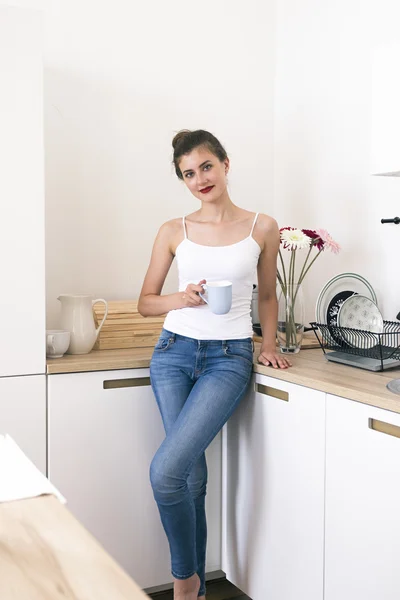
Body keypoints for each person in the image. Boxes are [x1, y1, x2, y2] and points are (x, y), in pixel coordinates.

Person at [138, 129, 291, 600]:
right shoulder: (173, 230)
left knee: (166, 473)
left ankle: (183, 581)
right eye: (188, 173)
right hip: (173, 354)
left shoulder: (261, 227)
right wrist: (179, 299)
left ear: (225, 164)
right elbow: (145, 303)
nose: (200, 179)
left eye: (206, 166)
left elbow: (267, 293)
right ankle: (199, 590)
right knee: (190, 475)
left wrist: (267, 341)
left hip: (228, 359)